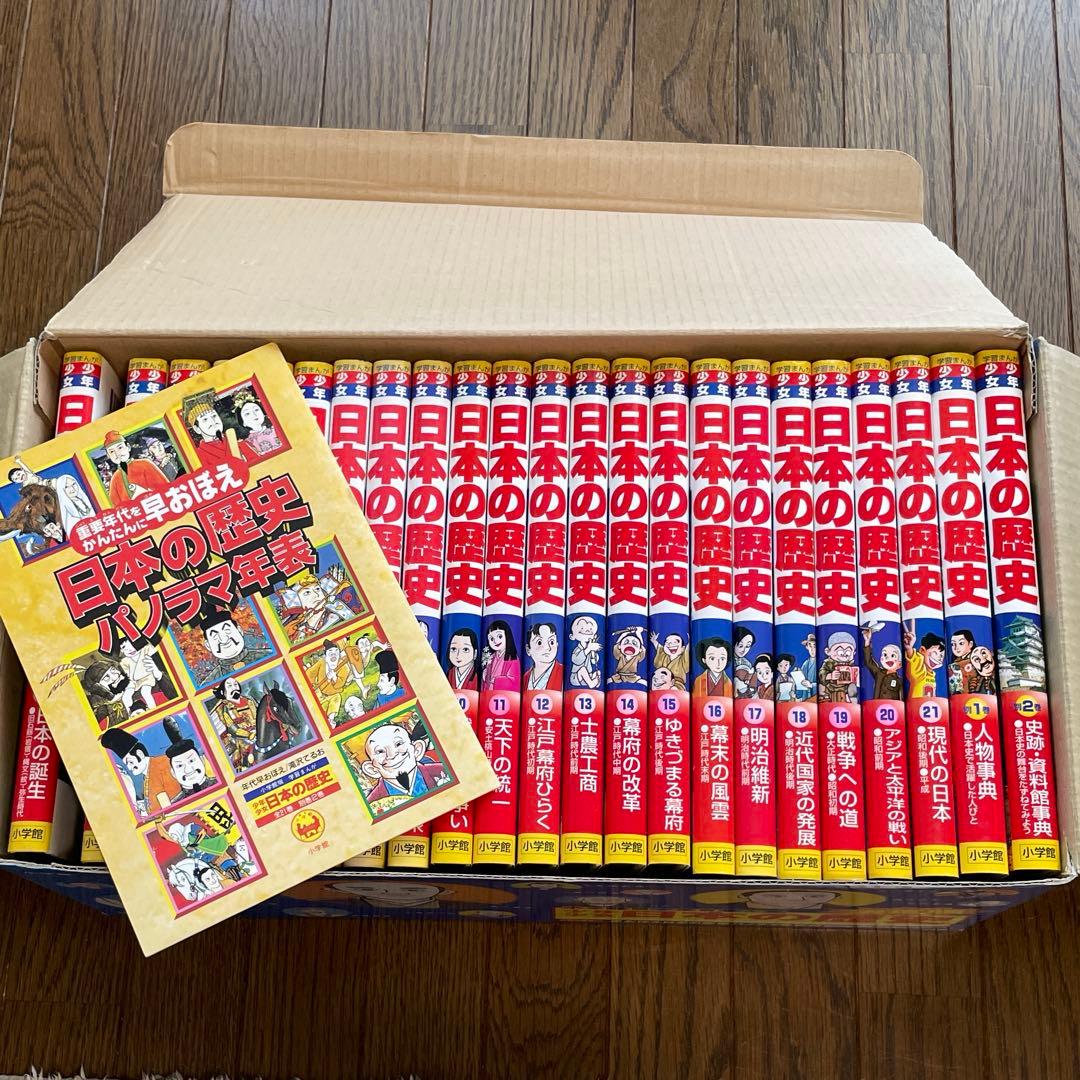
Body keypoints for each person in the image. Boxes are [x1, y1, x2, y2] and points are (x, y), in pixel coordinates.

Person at [358, 721, 449, 812]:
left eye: (398, 744)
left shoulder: (444, 771)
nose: (392, 755)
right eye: (380, 751)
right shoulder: (372, 804)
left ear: (417, 750)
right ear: (372, 769)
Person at [99, 724, 181, 813]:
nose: (129, 767)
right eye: (126, 764)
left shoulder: (157, 767)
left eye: (130, 762)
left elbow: (167, 807)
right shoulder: (148, 772)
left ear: (140, 754)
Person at [8, 456, 94, 539]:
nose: (19, 477)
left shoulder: (29, 474)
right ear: (16, 482)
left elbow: (26, 468)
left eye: (18, 474)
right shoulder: (25, 486)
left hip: (48, 484)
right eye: (16, 478)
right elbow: (28, 497)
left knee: (63, 485)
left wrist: (19, 462)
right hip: (43, 495)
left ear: (22, 470)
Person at [100, 430, 169, 505]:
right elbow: (114, 505)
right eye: (112, 452)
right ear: (108, 456)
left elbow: (166, 488)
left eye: (120, 448)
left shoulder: (144, 464)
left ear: (128, 447)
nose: (117, 454)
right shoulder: (115, 478)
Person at [209, 677, 258, 771]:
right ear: (223, 692)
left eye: (235, 685)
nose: (234, 688)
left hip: (258, 731)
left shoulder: (249, 700)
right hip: (240, 738)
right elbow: (232, 728)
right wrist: (249, 735)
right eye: (229, 686)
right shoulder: (224, 708)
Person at [183, 396, 241, 468]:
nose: (213, 421)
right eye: (205, 419)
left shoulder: (235, 439)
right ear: (197, 429)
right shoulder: (198, 458)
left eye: (214, 416)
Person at [306, 639, 352, 724]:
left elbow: (340, 684)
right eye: (330, 652)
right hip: (319, 691)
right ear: (326, 655)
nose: (333, 654)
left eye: (336, 651)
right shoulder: (322, 662)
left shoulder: (344, 667)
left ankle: (331, 719)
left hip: (332, 693)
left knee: (337, 698)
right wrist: (312, 684)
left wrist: (334, 677)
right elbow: (310, 673)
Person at [82, 659, 138, 728]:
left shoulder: (138, 688)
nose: (115, 677)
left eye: (113, 670)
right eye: (106, 677)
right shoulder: (102, 711)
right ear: (98, 687)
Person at [117, 639, 165, 712]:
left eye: (132, 643)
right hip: (133, 681)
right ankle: (131, 714)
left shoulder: (146, 649)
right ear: (121, 651)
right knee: (125, 697)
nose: (129, 649)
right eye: (123, 647)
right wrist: (129, 685)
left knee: (145, 692)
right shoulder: (124, 661)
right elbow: (128, 676)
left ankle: (154, 710)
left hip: (148, 677)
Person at [235, 389, 283, 461]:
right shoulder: (247, 442)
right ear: (243, 422)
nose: (254, 415)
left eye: (256, 410)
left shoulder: (276, 427)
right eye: (247, 413)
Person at [902, 623, 946, 698]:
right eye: (935, 653)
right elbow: (914, 660)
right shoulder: (920, 672)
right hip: (916, 704)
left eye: (941, 656)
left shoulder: (932, 675)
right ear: (922, 650)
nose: (938, 658)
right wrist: (909, 648)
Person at [861, 626, 904, 700]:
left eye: (893, 655)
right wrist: (867, 642)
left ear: (899, 664)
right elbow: (868, 662)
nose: (887, 658)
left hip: (892, 706)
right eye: (885, 654)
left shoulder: (899, 681)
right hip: (876, 705)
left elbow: (901, 698)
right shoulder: (879, 673)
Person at [819, 632, 859, 703]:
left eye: (848, 652)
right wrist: (830, 676)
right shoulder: (828, 663)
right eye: (840, 651)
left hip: (847, 688)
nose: (844, 655)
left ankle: (852, 700)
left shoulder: (851, 664)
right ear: (828, 652)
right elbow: (821, 673)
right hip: (832, 687)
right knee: (822, 687)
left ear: (853, 653)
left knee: (852, 688)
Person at [481, 619, 520, 691]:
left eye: (499, 636)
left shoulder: (513, 658)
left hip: (504, 694)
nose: (496, 641)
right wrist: (485, 674)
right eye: (491, 639)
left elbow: (514, 681)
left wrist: (496, 680)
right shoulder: (491, 657)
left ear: (507, 635)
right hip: (489, 693)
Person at [524, 622, 563, 690]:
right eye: (539, 642)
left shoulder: (563, 671)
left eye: (551, 642)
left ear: (557, 645)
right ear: (528, 650)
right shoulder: (525, 677)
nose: (547, 648)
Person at [568, 616, 601, 688]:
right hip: (576, 677)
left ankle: (593, 682)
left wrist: (592, 651)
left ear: (594, 636)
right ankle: (591, 683)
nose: (587, 631)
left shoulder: (590, 648)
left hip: (587, 676)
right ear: (572, 636)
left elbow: (594, 662)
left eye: (590, 630)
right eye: (582, 629)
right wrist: (588, 649)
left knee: (598, 672)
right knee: (583, 669)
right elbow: (576, 660)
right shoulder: (577, 649)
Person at [948, 629, 977, 696]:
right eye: (953, 644)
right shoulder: (953, 664)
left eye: (961, 643)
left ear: (970, 644)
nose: (956, 647)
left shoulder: (976, 661)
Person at [733, 626, 755, 696]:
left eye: (747, 646)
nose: (744, 650)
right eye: (740, 645)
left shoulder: (747, 663)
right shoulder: (726, 660)